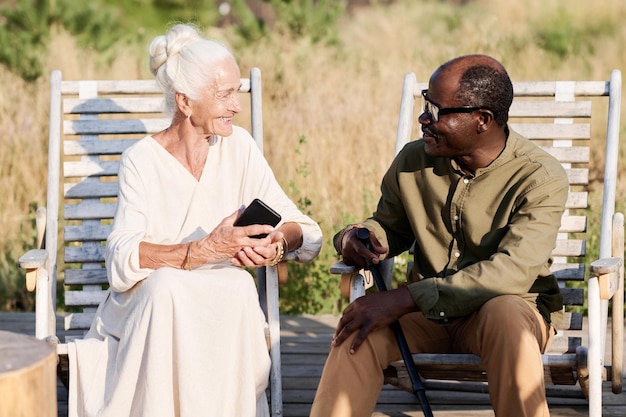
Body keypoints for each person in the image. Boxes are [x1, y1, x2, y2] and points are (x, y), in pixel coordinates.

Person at [67, 23, 323, 417]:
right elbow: (120, 255)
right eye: (224, 95)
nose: (236, 106)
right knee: (167, 285)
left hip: (220, 302)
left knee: (238, 288)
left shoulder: (239, 147)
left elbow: (305, 230)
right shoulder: (140, 161)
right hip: (153, 307)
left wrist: (277, 244)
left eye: (236, 92)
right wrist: (199, 251)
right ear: (185, 102)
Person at [310, 54, 568, 417]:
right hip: (428, 317)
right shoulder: (414, 161)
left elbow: (511, 272)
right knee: (358, 326)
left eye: (436, 108)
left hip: (504, 310)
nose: (423, 117)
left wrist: (406, 299)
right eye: (425, 103)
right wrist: (358, 236)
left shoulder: (540, 177)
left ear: (482, 120)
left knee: (508, 316)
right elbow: (389, 226)